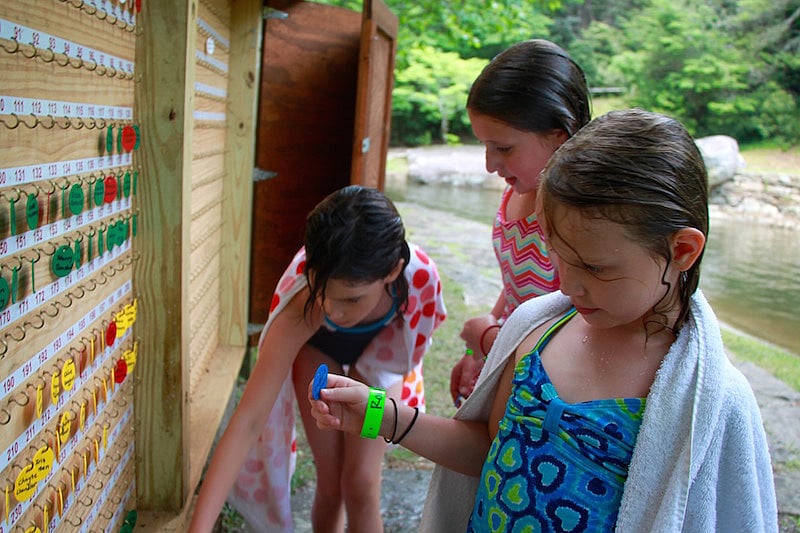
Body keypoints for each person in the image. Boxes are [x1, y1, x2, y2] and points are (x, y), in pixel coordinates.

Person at [309, 110, 778, 532]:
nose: (569, 286)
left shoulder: (709, 403)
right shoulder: (538, 328)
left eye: (595, 267)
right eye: (559, 256)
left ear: (681, 251)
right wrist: (378, 414)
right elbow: (489, 447)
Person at [188, 185, 446, 532]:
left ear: (393, 272)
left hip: (380, 363)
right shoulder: (301, 304)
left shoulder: (420, 280)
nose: (331, 309)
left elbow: (405, 353)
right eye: (321, 290)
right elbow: (249, 421)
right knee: (331, 481)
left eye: (352, 299)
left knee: (360, 481)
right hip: (318, 354)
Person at [451, 39, 591, 406]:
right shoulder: (516, 192)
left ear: (559, 135)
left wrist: (489, 339)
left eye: (504, 148)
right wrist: (480, 352)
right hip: (508, 354)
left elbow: (578, 334)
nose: (489, 165)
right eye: (484, 146)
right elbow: (520, 284)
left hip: (546, 387)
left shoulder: (578, 221)